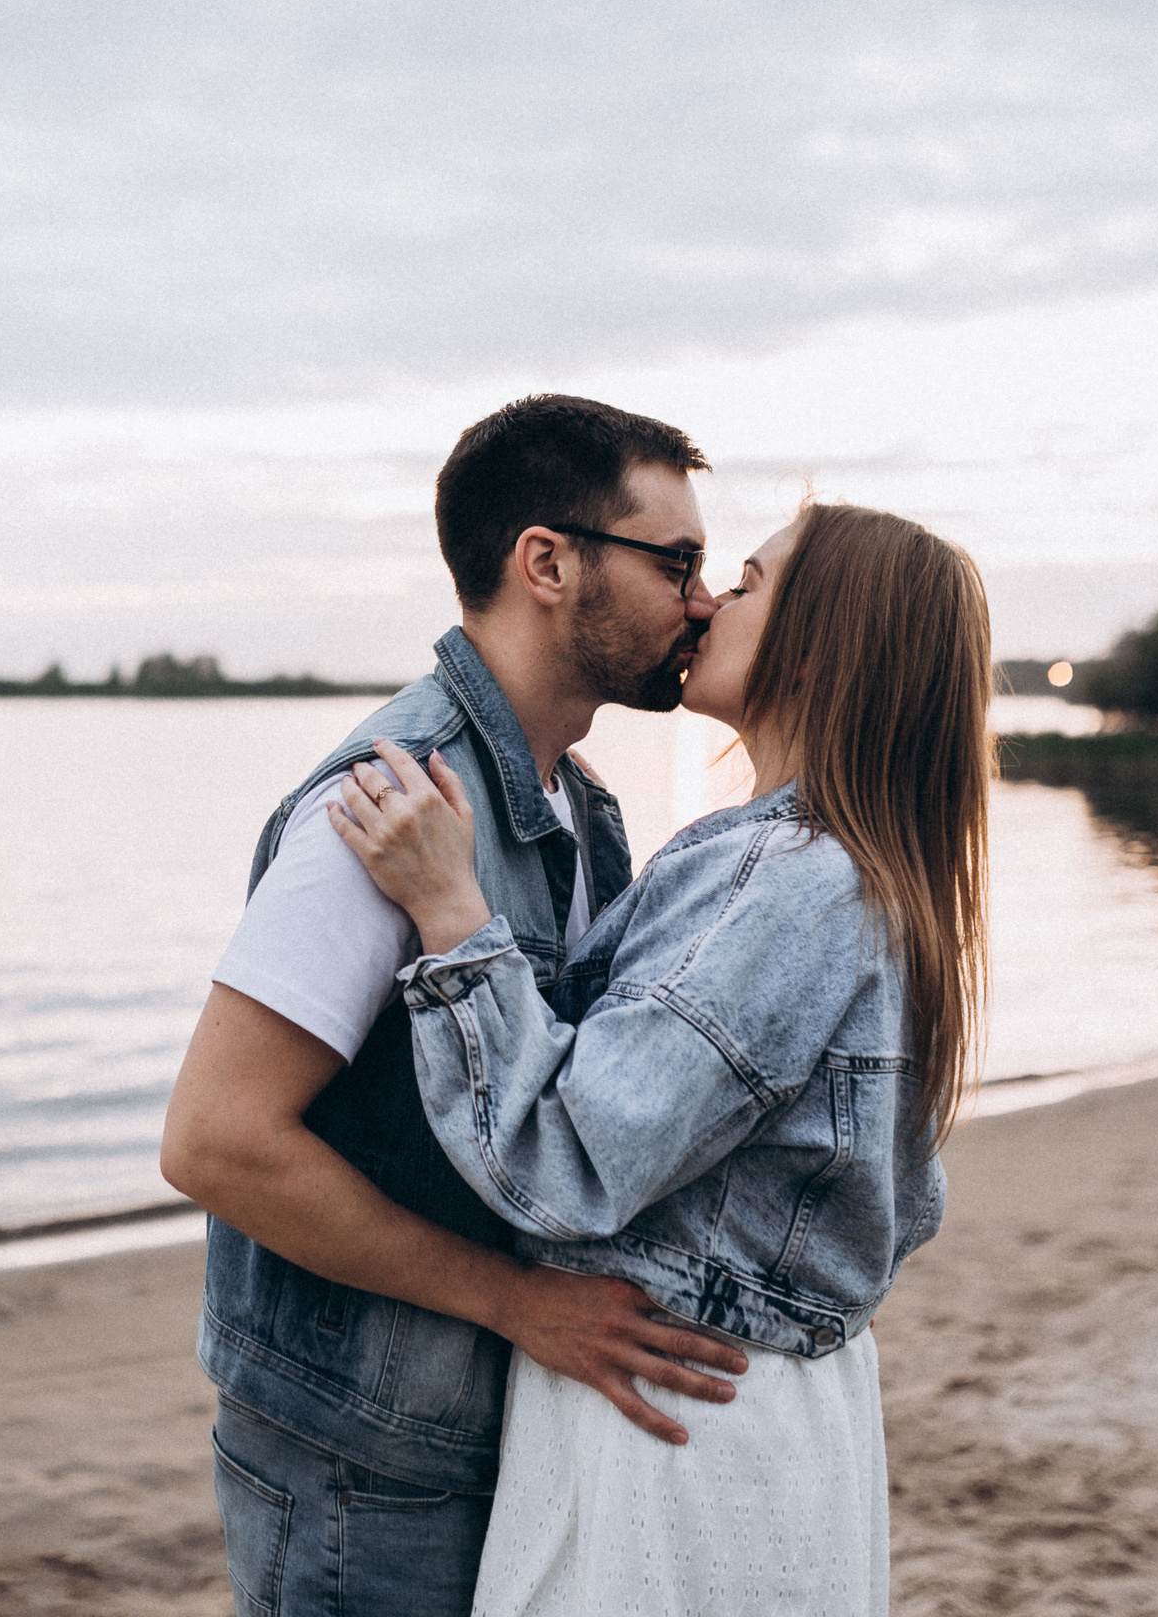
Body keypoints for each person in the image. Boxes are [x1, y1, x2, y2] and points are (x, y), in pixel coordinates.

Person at [330, 502, 991, 1615]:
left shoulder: (786, 881)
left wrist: (452, 912)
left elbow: (562, 1163)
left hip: (674, 1417)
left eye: (746, 580)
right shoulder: (864, 871)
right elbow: (896, 1201)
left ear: (825, 641)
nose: (706, 602)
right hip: (764, 1406)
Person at [160, 396, 754, 1617]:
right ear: (548, 562)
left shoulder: (578, 808)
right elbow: (216, 1141)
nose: (698, 599)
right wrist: (517, 1303)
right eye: (676, 561)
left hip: (473, 1428)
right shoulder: (380, 806)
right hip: (357, 1461)